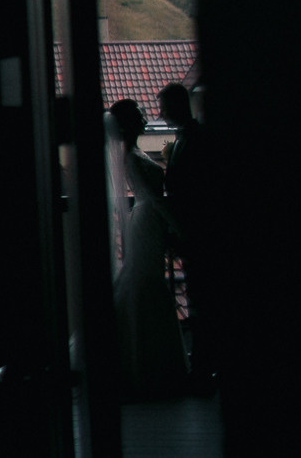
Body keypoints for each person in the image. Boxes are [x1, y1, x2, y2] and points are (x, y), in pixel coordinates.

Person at [107, 99, 187, 400]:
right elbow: (153, 199)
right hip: (146, 221)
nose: (145, 117)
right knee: (145, 284)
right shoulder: (129, 156)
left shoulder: (134, 152)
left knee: (143, 283)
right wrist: (177, 227)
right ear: (128, 123)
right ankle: (147, 362)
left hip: (148, 222)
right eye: (140, 114)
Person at [159, 81, 213, 387]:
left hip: (197, 232)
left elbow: (195, 191)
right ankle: (202, 363)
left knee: (201, 300)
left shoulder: (195, 139)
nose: (161, 114)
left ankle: (204, 367)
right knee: (197, 297)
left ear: (178, 106)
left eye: (164, 108)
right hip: (191, 231)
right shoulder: (186, 137)